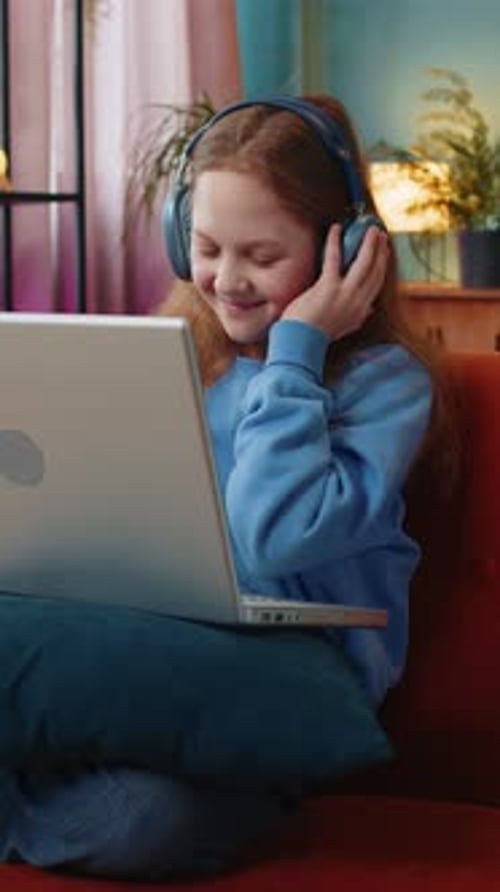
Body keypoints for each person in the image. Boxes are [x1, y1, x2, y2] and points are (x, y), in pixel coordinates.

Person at [0, 94, 444, 880]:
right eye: (205, 247)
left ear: (347, 248)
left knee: (145, 825)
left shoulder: (385, 385)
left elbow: (273, 536)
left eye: (262, 257)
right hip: (162, 645)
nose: (227, 280)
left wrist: (298, 349)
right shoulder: (183, 356)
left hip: (290, 670)